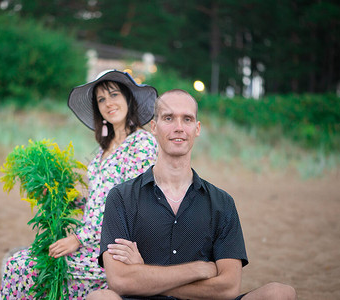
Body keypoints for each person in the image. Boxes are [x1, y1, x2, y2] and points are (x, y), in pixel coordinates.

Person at [88, 89, 297, 300]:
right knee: (99, 298)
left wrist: (145, 275)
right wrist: (197, 270)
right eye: (169, 118)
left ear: (196, 129)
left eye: (187, 119)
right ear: (154, 127)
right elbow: (121, 281)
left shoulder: (221, 203)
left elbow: (228, 288)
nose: (178, 128)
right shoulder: (121, 197)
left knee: (281, 293)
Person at [0, 70, 158, 299]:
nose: (108, 103)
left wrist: (78, 239)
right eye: (101, 99)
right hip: (91, 241)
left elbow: (129, 204)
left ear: (128, 98)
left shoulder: (141, 144)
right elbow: (98, 201)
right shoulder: (103, 151)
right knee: (20, 263)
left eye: (114, 95)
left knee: (20, 267)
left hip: (113, 249)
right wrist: (63, 198)